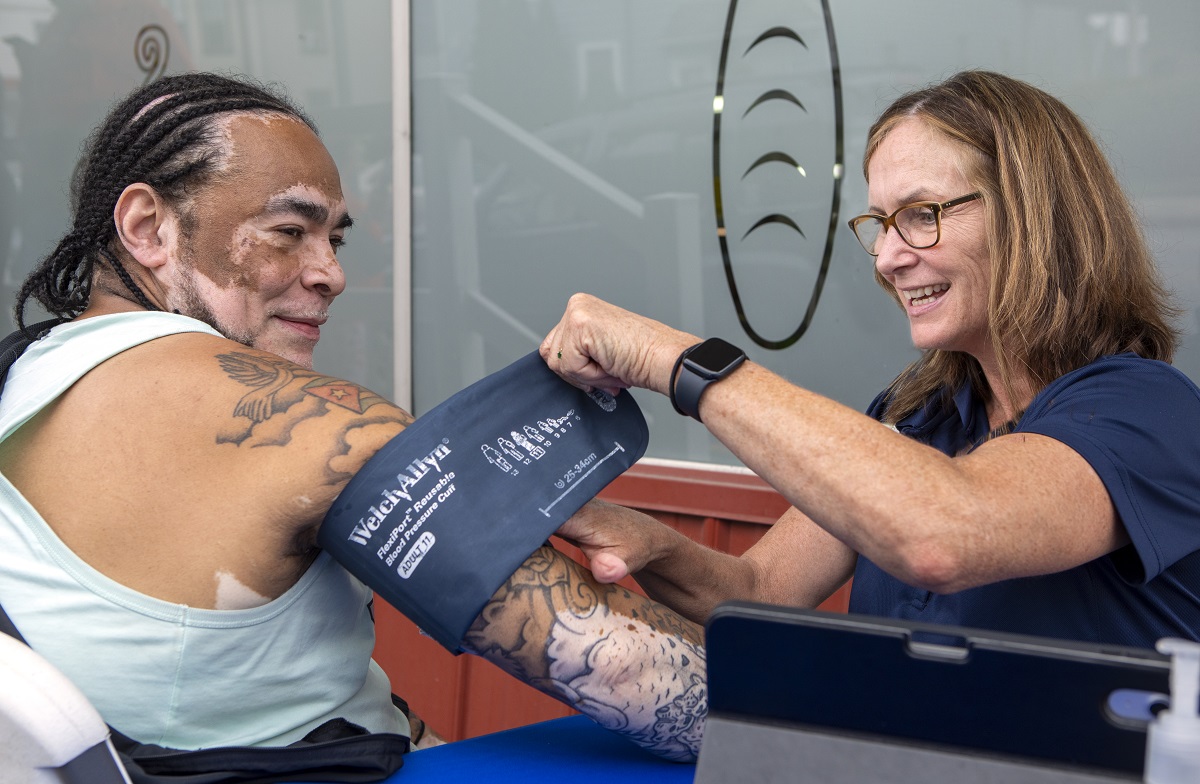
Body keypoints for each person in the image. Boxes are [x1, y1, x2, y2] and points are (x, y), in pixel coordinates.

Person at [0, 72, 705, 763]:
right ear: (147, 227)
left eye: (334, 240)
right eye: (287, 231)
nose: (330, 272)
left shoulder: (21, 374)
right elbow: (642, 679)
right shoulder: (312, 427)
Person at [543, 70, 1200, 649]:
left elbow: (942, 534)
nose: (887, 258)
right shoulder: (921, 415)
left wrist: (674, 359)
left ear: (1033, 216)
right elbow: (761, 590)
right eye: (880, 224)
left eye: (920, 215)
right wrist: (652, 544)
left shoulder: (1148, 412)